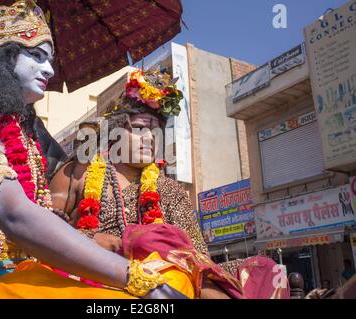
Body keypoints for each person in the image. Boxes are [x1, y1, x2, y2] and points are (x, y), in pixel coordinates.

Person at [0, 0, 185, 299]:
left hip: (30, 270)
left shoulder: (27, 134)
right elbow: (16, 216)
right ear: (1, 57)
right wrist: (135, 278)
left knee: (177, 277)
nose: (49, 69)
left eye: (50, 58)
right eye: (36, 56)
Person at [50, 68, 290, 299]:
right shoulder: (80, 172)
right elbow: (42, 229)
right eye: (140, 129)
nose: (150, 139)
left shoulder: (169, 189)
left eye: (156, 133)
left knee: (267, 269)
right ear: (116, 133)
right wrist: (98, 240)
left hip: (169, 278)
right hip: (96, 271)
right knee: (150, 239)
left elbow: (197, 256)